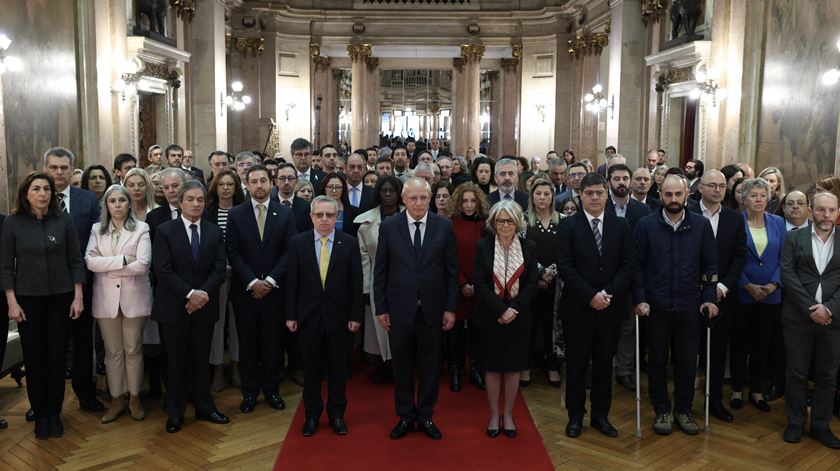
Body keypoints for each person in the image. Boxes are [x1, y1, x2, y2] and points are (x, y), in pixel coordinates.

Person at [1, 172, 85, 439]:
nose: (42, 194)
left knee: (57, 357)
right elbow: (5, 266)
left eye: (46, 189)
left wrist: (78, 296)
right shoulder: (13, 223)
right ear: (26, 193)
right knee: (34, 358)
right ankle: (39, 412)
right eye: (36, 189)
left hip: (61, 297)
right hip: (27, 300)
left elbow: (75, 260)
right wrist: (11, 302)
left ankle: (54, 412)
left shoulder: (63, 221)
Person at [374, 177, 458, 440]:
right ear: (404, 199)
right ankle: (405, 415)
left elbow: (451, 272)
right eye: (413, 198)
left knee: (431, 366)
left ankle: (425, 415)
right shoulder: (389, 227)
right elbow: (381, 271)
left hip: (433, 310)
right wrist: (381, 308)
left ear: (430, 198)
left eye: (423, 198)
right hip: (399, 310)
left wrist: (450, 308)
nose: (419, 203)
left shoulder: (444, 226)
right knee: (402, 366)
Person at [634, 174, 718, 435]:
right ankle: (662, 409)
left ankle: (684, 409)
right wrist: (640, 299)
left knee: (686, 362)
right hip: (656, 307)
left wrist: (709, 297)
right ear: (660, 195)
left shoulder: (701, 226)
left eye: (678, 194)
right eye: (668, 194)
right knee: (657, 360)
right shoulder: (645, 225)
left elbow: (710, 266)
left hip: (689, 306)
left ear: (686, 195)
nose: (673, 199)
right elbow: (636, 267)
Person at [556, 173, 635, 438]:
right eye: (588, 193)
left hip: (610, 308)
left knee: (604, 365)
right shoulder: (568, 226)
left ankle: (601, 416)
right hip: (578, 308)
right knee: (577, 366)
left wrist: (607, 293)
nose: (594, 197)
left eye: (599, 193)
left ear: (606, 194)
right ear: (580, 196)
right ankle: (575, 416)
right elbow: (565, 267)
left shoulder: (621, 226)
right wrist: (591, 295)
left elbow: (628, 266)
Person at [152, 180, 229, 433]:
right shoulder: (164, 231)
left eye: (200, 200)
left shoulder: (214, 231)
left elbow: (219, 269)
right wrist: (190, 294)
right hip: (174, 308)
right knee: (175, 362)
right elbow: (162, 270)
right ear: (180, 202)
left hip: (204, 307)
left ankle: (205, 407)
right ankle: (175, 412)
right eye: (190, 199)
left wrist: (201, 295)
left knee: (200, 360)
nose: (196, 204)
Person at [286, 196, 363, 437]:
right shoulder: (298, 243)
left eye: (330, 215)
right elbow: (292, 283)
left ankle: (337, 414)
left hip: (339, 318)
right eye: (319, 215)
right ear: (311, 217)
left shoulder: (348, 243)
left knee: (338, 370)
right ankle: (311, 415)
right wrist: (291, 315)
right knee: (311, 370)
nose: (324, 220)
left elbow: (356, 283)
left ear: (337, 217)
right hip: (308, 317)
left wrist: (356, 315)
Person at [226, 164, 297, 414]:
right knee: (248, 345)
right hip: (246, 292)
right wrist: (252, 282)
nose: (259, 186)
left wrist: (269, 282)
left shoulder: (284, 213)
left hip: (275, 292)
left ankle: (272, 390)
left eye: (263, 181)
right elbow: (232, 252)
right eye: (253, 181)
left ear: (271, 182)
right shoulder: (236, 214)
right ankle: (249, 392)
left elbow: (290, 252)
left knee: (273, 344)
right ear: (246, 184)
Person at [41, 147, 104, 417]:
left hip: (83, 284)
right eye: (54, 167)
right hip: (46, 287)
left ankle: (85, 394)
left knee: (82, 344)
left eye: (64, 167)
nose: (59, 172)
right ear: (45, 168)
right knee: (49, 345)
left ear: (72, 168)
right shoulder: (36, 197)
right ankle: (44, 401)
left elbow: (96, 239)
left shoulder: (88, 200)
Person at [84, 184, 152, 423]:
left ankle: (134, 398)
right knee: (113, 352)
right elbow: (90, 263)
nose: (117, 205)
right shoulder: (96, 229)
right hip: (105, 301)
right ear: (106, 205)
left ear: (129, 204)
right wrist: (124, 260)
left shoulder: (142, 228)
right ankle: (116, 399)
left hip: (135, 300)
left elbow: (143, 265)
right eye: (112, 201)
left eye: (122, 201)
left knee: (133, 349)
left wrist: (108, 265)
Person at [472, 200, 538, 438]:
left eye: (509, 220)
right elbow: (479, 282)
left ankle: (508, 414)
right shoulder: (483, 247)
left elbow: (532, 284)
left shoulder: (529, 246)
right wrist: (501, 310)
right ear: (493, 223)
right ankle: (493, 414)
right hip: (490, 318)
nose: (505, 225)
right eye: (500, 220)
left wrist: (513, 309)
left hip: (519, 318)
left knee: (512, 370)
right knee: (492, 368)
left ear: (518, 222)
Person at [780, 192, 840, 448]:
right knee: (796, 373)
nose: (825, 215)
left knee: (828, 376)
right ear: (810, 211)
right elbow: (787, 273)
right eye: (820, 210)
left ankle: (820, 425)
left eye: (831, 210)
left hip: (833, 320)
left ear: (838, 212)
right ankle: (795, 422)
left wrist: (828, 309)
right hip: (797, 318)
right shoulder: (794, 237)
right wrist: (810, 308)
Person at [687, 170, 747, 423]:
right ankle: (684, 402)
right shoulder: (687, 213)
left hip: (722, 295)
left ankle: (714, 402)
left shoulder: (734, 218)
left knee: (717, 350)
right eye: (712, 185)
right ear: (701, 187)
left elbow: (739, 257)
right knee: (687, 350)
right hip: (688, 293)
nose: (718, 190)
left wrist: (722, 287)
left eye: (722, 186)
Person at [730, 178, 786, 413]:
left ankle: (756, 390)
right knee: (740, 344)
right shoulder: (734, 222)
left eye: (763, 195)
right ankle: (735, 390)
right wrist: (746, 285)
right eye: (753, 195)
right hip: (743, 293)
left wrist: (774, 284)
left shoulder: (779, 223)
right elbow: (730, 257)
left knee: (762, 345)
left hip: (771, 295)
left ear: (769, 198)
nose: (759, 200)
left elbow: (785, 258)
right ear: (744, 199)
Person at [354, 176, 403, 384]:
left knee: (403, 323)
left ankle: (402, 366)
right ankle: (384, 365)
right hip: (377, 278)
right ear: (378, 193)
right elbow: (364, 256)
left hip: (404, 278)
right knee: (380, 325)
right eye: (384, 191)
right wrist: (365, 287)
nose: (389, 194)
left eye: (393, 190)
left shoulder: (410, 215)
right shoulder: (367, 221)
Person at [446, 183, 490, 392]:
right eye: (465, 201)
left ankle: (475, 371)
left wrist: (476, 284)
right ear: (458, 203)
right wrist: (463, 283)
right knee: (455, 332)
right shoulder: (450, 224)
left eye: (473, 200)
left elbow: (488, 259)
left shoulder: (485, 226)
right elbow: (448, 259)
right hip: (456, 285)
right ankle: (455, 370)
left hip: (480, 287)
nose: (469, 204)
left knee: (477, 331)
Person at [520, 178, 562, 388]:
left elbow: (566, 253)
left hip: (557, 285)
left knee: (551, 326)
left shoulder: (562, 220)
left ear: (552, 197)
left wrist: (551, 272)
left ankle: (552, 366)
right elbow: (521, 251)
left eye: (547, 194)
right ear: (532, 197)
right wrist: (540, 272)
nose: (543, 197)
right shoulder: (523, 220)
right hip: (531, 283)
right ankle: (525, 367)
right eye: (538, 194)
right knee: (530, 325)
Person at [206, 170, 245, 391]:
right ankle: (218, 366)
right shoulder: (209, 211)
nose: (226, 188)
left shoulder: (242, 211)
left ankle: (237, 365)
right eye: (222, 184)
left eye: (230, 184)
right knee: (217, 322)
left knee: (237, 321)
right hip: (216, 275)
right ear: (215, 187)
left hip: (240, 275)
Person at [274, 163, 314, 232]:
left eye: (290, 178)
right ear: (276, 181)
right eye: (282, 178)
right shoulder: (268, 205)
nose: (286, 182)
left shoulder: (306, 207)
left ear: (296, 181)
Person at [321, 172, 361, 237]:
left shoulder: (354, 212)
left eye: (338, 187)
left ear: (343, 189)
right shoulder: (316, 210)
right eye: (330, 187)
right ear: (324, 188)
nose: (334, 190)